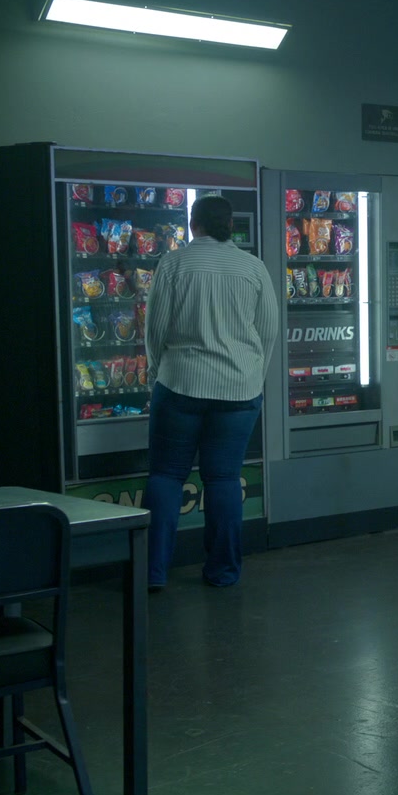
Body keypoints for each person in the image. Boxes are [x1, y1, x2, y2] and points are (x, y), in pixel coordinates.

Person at [143, 195, 279, 588]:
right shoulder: (253, 267)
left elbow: (156, 328)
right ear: (230, 226)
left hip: (180, 385)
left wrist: (157, 371)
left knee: (166, 476)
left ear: (193, 223)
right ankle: (223, 571)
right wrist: (252, 376)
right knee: (223, 480)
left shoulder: (174, 263)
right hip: (238, 391)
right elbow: (268, 330)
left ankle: (152, 572)